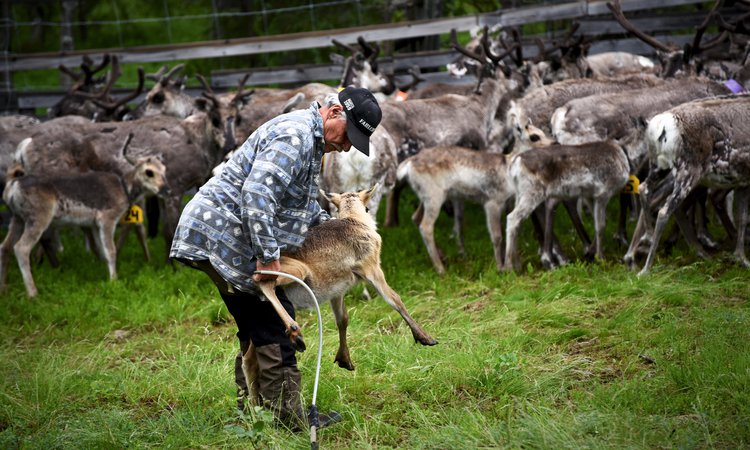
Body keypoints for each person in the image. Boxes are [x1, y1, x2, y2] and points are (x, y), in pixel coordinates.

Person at [169, 87, 382, 430]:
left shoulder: (309, 141)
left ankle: (251, 408)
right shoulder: (295, 136)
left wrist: (336, 228)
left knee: (255, 322)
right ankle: (288, 418)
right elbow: (257, 193)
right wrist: (269, 258)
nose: (345, 147)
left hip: (221, 234)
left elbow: (299, 203)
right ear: (334, 114)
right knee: (274, 321)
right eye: (348, 137)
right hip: (224, 232)